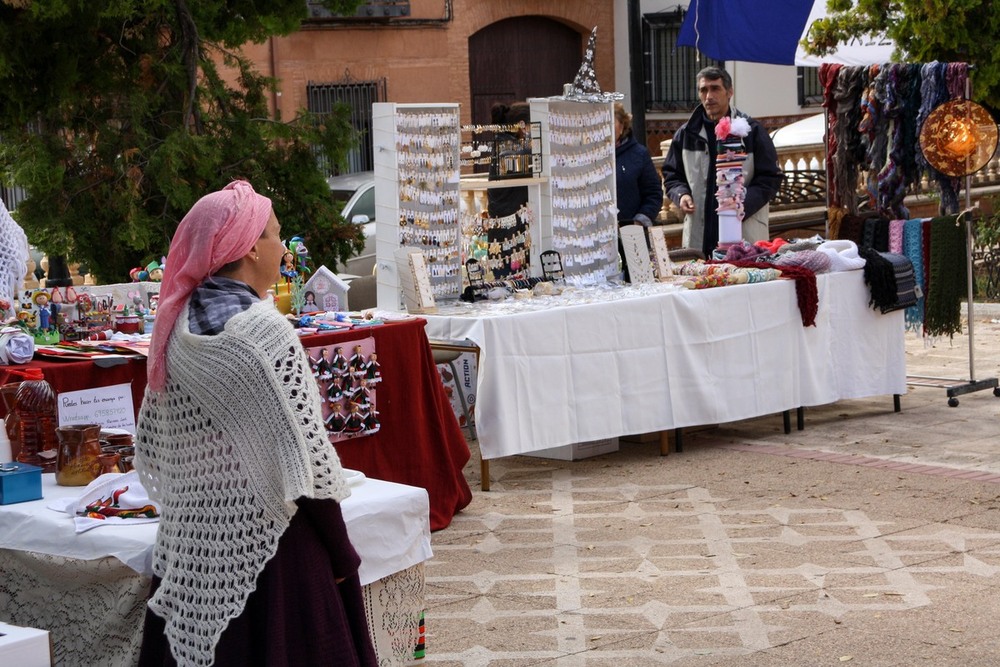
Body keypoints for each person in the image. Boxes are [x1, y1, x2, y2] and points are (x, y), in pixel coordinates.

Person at [134, 181, 377, 666]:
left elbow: (176, 451)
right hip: (274, 557)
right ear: (247, 248)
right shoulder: (263, 334)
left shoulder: (177, 326)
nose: (283, 248)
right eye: (275, 236)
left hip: (197, 546)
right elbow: (306, 467)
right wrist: (341, 553)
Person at [662, 66, 782, 258]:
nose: (709, 96)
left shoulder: (752, 131)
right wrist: (681, 194)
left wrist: (741, 203)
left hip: (744, 234)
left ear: (730, 92)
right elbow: (671, 175)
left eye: (715, 88)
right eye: (703, 90)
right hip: (699, 238)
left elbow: (770, 179)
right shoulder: (685, 134)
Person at [613, 102, 663, 281]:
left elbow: (654, 193)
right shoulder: (587, 157)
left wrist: (639, 221)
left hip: (632, 237)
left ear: (622, 125)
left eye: (611, 122)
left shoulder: (638, 154)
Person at [486, 102, 532, 279]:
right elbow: (533, 156)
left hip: (511, 235)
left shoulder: (506, 146)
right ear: (522, 126)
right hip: (507, 238)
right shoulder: (507, 150)